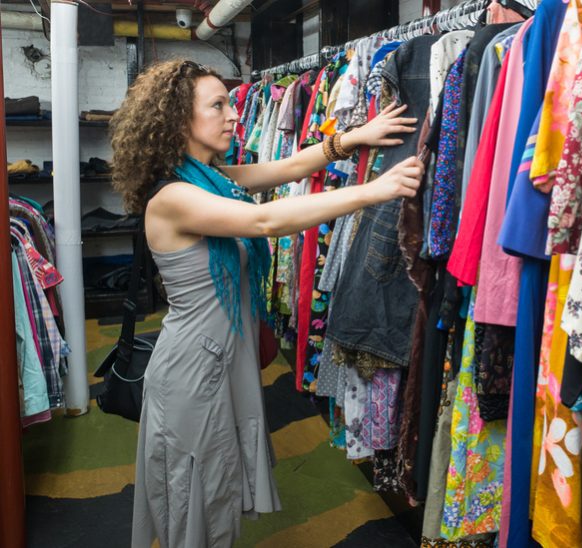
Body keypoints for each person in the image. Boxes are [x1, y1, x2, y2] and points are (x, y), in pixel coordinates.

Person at [109, 59, 423, 547]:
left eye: (230, 104)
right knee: (197, 492)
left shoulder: (210, 179)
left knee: (215, 490)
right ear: (178, 120)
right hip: (193, 369)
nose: (233, 115)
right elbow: (265, 223)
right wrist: (372, 191)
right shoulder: (172, 197)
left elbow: (286, 168)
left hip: (219, 359)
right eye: (217, 106)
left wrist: (353, 139)